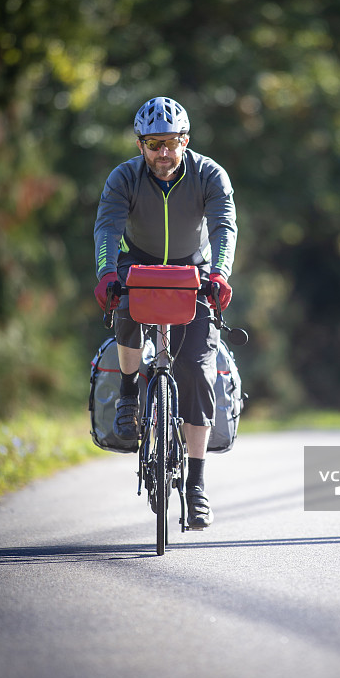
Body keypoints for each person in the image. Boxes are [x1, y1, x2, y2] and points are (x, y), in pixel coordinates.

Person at [93, 96, 237, 529]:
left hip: (194, 269)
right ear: (140, 145)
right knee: (126, 306)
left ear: (185, 140)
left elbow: (224, 226)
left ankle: (195, 486)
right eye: (154, 144)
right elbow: (107, 227)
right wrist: (105, 273)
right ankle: (130, 394)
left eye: (171, 143)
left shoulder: (210, 174)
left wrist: (220, 274)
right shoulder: (124, 178)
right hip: (136, 261)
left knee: (195, 370)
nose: (163, 153)